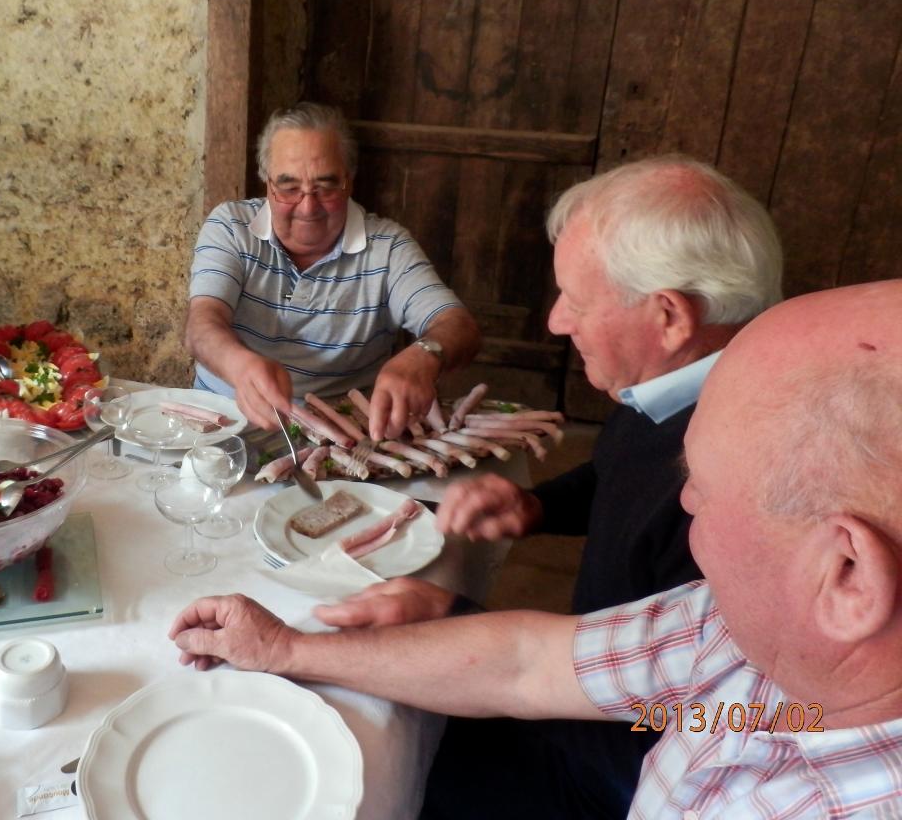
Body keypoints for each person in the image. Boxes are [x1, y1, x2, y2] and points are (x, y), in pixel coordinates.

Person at [171, 279, 902, 819]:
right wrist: (284, 649)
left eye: (704, 489)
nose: (682, 505)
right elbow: (534, 664)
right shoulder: (749, 634)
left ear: (847, 576)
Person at [316, 156, 785, 817]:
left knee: (383, 767)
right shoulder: (667, 383)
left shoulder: (742, 487)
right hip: (582, 679)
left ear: (670, 316)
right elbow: (616, 473)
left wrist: (455, 622)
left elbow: (666, 706)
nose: (556, 321)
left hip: (608, 761)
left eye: (578, 301)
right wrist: (538, 505)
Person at [184, 101, 480, 441]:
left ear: (349, 182)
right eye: (289, 187)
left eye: (325, 187)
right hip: (222, 430)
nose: (308, 207)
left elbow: (458, 325)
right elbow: (201, 324)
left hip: (341, 446)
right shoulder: (231, 227)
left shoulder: (387, 246)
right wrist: (238, 365)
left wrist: (425, 354)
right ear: (267, 184)